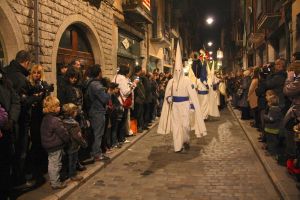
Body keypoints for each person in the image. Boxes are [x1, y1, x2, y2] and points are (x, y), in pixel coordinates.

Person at [158, 42, 207, 152]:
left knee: (185, 126)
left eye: (179, 70)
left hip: (185, 105)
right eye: (176, 70)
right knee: (176, 126)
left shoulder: (187, 81)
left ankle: (186, 141)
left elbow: (192, 95)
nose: (178, 72)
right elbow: (167, 94)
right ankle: (177, 146)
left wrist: (192, 105)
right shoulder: (171, 81)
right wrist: (168, 98)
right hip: (175, 105)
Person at [0, 67, 20, 200]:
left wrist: (11, 120)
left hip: (6, 129)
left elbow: (15, 101)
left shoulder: (6, 83)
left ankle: (5, 191)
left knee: (5, 163)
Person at [41, 96, 69, 190]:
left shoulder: (46, 118)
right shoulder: (55, 120)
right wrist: (67, 140)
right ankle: (55, 183)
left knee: (52, 163)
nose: (60, 107)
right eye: (58, 106)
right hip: (55, 146)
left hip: (48, 145)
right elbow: (63, 133)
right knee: (55, 164)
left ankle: (54, 179)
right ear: (52, 108)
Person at [87, 64, 112, 161]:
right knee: (98, 134)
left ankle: (95, 152)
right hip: (97, 111)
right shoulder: (96, 85)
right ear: (99, 73)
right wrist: (109, 92)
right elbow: (105, 99)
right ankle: (97, 154)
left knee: (96, 133)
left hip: (93, 110)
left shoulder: (90, 82)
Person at [62, 103, 87, 182]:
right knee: (72, 161)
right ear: (72, 113)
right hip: (73, 145)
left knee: (68, 160)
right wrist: (84, 144)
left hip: (67, 145)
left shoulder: (63, 122)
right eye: (75, 111)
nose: (77, 113)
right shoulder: (74, 124)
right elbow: (78, 136)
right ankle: (73, 175)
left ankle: (67, 174)